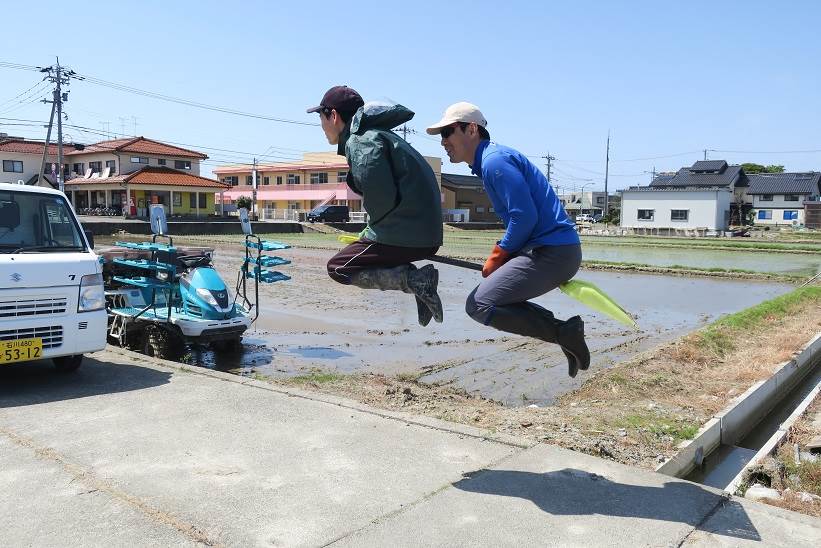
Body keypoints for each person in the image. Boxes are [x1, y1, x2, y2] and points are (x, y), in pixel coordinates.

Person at [426, 102, 590, 377]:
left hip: (553, 252)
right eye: (441, 135)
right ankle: (565, 333)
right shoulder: (489, 162)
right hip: (545, 250)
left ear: (472, 129)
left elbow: (524, 217)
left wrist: (499, 254)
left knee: (479, 304)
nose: (443, 142)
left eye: (448, 132)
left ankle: (565, 333)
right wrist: (507, 256)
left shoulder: (495, 162)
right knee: (493, 299)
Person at [307, 86, 444, 326]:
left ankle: (415, 281)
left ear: (334, 116)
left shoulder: (362, 141)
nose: (321, 125)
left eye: (321, 117)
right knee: (362, 257)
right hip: (424, 234)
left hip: (405, 233)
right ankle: (418, 282)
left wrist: (369, 233)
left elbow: (380, 195)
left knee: (339, 268)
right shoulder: (378, 135)